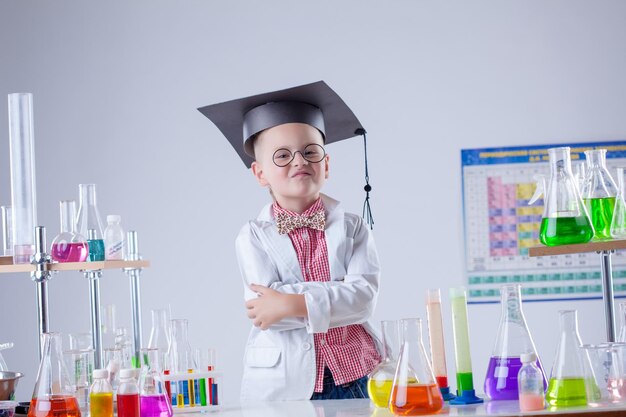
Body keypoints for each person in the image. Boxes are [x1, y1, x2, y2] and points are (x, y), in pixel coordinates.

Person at [198, 81, 382, 401]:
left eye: (310, 152)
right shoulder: (253, 236)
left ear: (325, 164)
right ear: (260, 174)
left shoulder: (353, 227)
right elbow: (266, 313)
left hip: (359, 373)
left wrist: (291, 303)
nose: (299, 161)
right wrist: (336, 293)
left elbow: (364, 299)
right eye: (282, 156)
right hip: (289, 382)